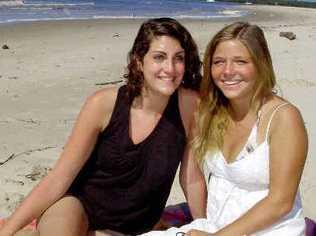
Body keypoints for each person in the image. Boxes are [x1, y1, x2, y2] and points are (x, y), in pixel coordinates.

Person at [0, 17, 203, 236]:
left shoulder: (189, 106)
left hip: (133, 227)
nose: (170, 68)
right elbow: (60, 177)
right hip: (77, 208)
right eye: (159, 57)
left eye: (179, 58)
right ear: (138, 61)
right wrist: (8, 230)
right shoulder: (104, 104)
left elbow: (191, 177)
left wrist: (205, 225)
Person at [143, 21, 308, 236]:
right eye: (218, 62)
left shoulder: (282, 118)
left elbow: (281, 202)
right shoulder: (212, 111)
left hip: (271, 231)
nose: (227, 71)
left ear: (261, 64)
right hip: (217, 226)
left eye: (240, 61)